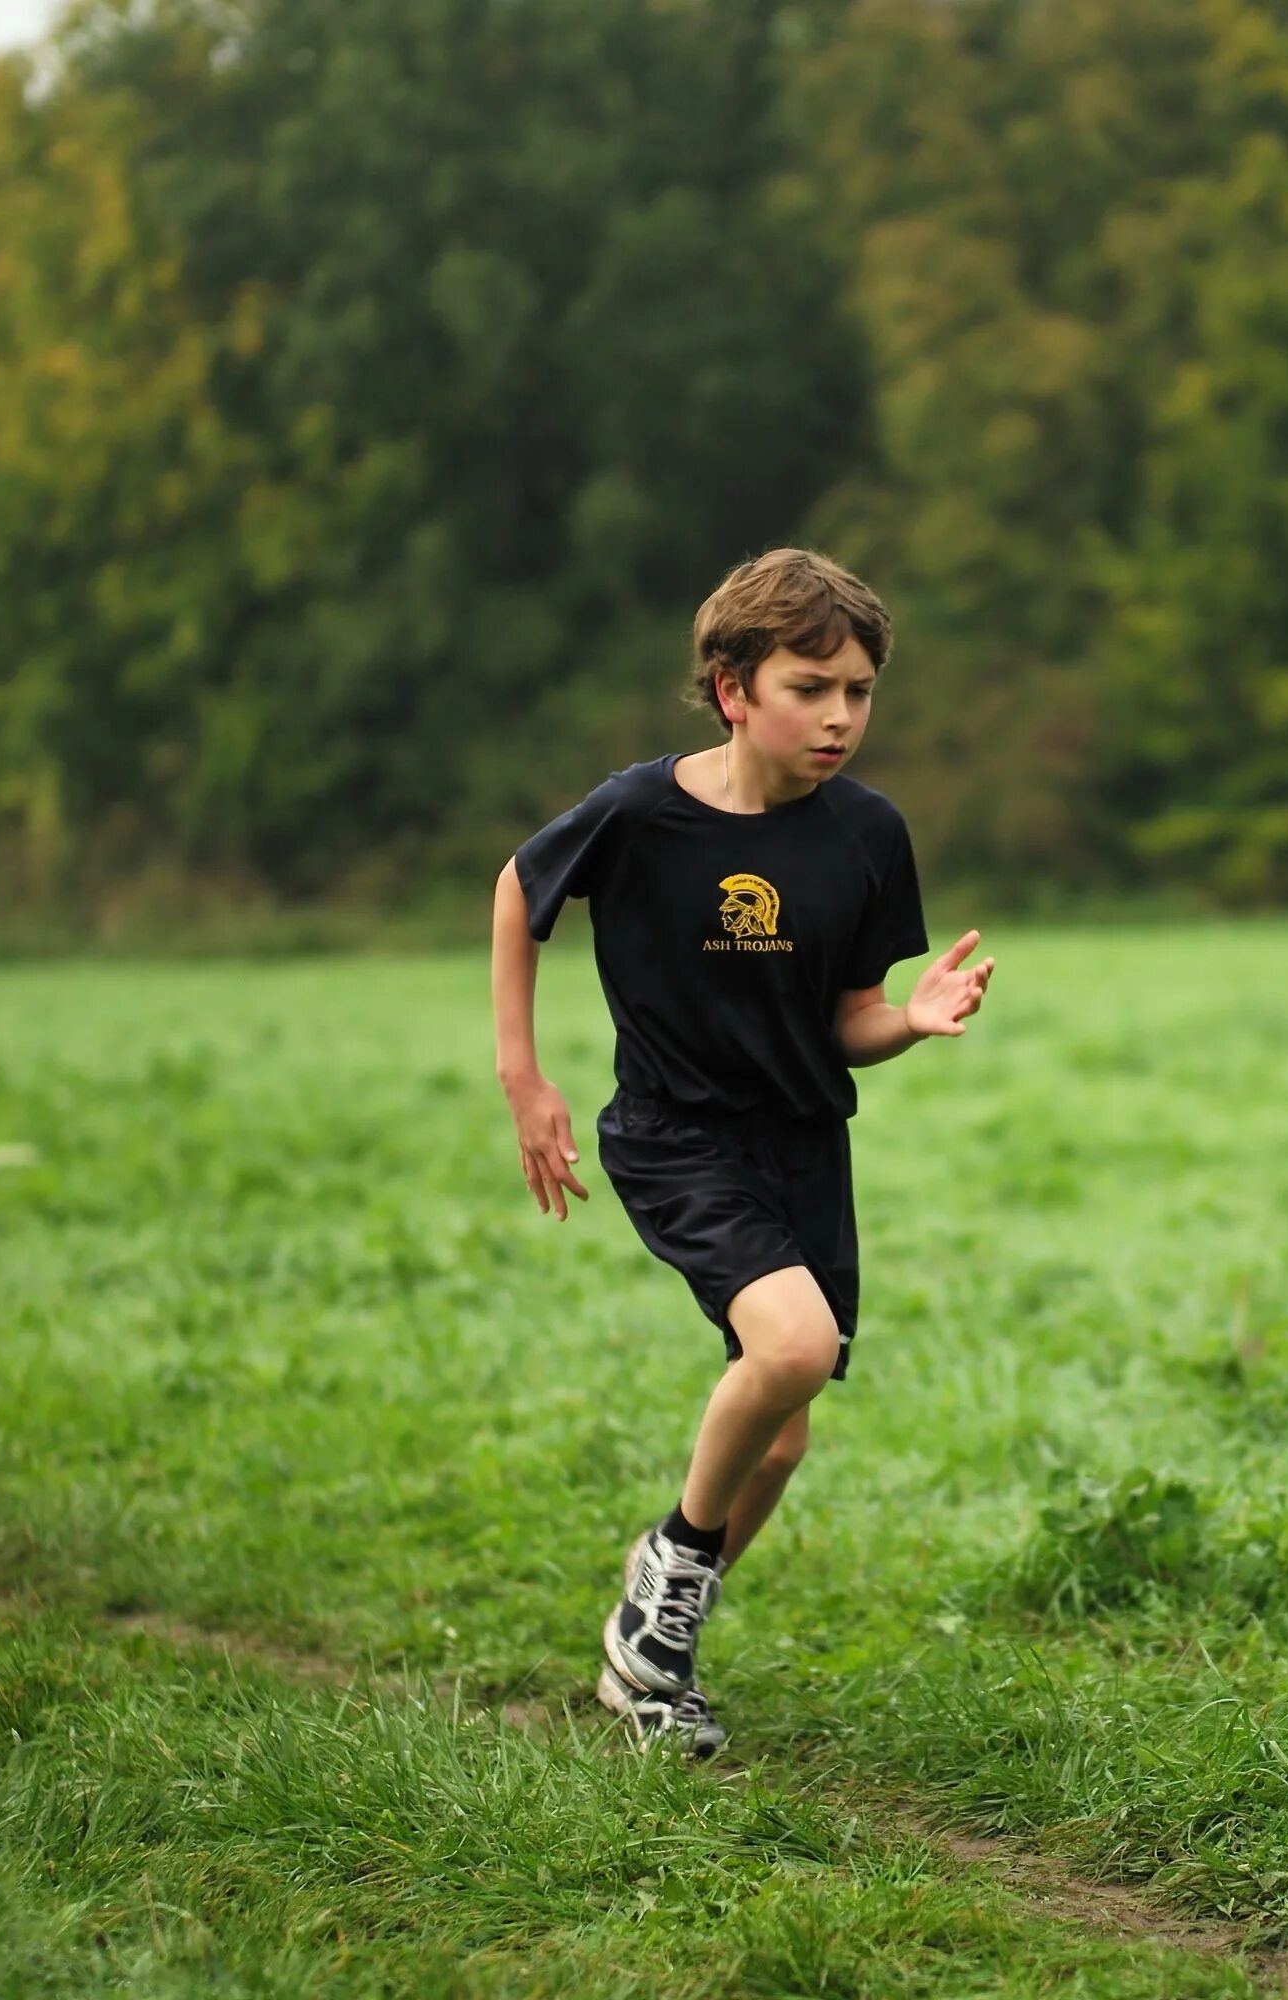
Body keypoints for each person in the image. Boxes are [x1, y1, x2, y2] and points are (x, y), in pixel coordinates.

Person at [488, 547, 995, 1755]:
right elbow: (520, 889)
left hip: (804, 1143)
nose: (839, 716)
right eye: (811, 686)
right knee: (797, 1345)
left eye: (859, 691)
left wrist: (910, 1023)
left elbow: (848, 1022)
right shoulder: (638, 813)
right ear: (733, 688)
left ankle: (651, 1653)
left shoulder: (869, 834)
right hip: (675, 1135)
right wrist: (525, 1075)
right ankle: (670, 1573)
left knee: (783, 1426)